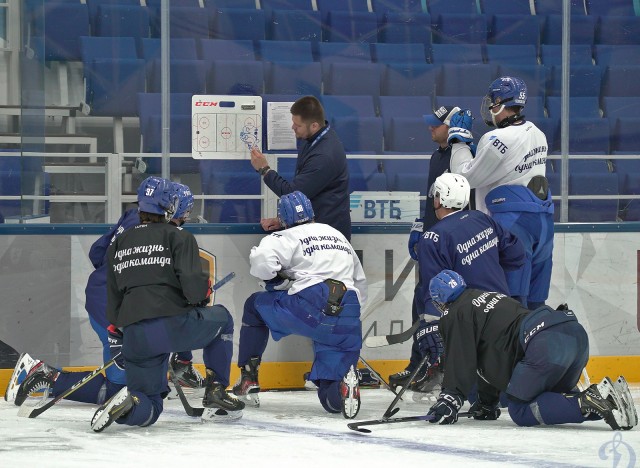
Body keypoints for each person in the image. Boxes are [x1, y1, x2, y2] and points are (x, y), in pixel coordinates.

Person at [4, 183, 207, 408]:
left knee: (143, 387)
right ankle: (45, 375)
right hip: (116, 310)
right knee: (121, 393)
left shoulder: (133, 216)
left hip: (102, 297)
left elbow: (97, 252)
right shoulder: (168, 236)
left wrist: (112, 274)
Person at [90, 176, 244, 432]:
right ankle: (216, 391)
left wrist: (120, 326)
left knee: (150, 406)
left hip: (135, 335)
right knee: (223, 319)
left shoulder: (120, 242)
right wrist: (201, 295)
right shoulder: (179, 237)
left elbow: (113, 294)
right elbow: (195, 292)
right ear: (170, 206)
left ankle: (131, 406)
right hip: (171, 326)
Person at [424, 269, 638, 431]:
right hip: (574, 335)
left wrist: (451, 397)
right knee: (549, 397)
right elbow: (486, 359)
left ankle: (589, 400)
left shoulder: (455, 314)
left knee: (520, 409)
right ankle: (606, 400)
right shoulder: (487, 296)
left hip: (544, 345)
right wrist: (486, 403)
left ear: (439, 301)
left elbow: (462, 358)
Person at [231, 191, 367, 419]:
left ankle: (248, 377)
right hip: (348, 308)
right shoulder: (336, 234)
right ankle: (342, 388)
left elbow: (261, 264)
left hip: (311, 304)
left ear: (282, 219)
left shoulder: (284, 237)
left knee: (254, 306)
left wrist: (277, 281)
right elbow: (360, 282)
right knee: (330, 401)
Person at [409, 173, 526, 398]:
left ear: (440, 199)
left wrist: (430, 324)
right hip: (505, 310)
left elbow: (433, 290)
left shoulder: (433, 237)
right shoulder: (482, 218)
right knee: (501, 379)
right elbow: (516, 254)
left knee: (472, 387)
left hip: (471, 318)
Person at [448, 76, 554, 310]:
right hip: (543, 223)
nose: (490, 109)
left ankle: (511, 347)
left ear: (499, 103)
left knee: (510, 302)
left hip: (512, 224)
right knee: (537, 302)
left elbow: (464, 178)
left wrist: (458, 143)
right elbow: (508, 166)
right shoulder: (538, 133)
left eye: (492, 103)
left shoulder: (496, 138)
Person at [390, 105, 462, 392]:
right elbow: (432, 198)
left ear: (452, 127)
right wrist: (420, 225)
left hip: (449, 246)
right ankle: (419, 363)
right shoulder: (437, 156)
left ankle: (435, 367)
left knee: (436, 306)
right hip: (433, 240)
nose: (430, 128)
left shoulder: (461, 158)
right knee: (420, 303)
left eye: (436, 124)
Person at [249, 95, 351, 241]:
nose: (293, 128)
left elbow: (293, 193)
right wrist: (284, 220)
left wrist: (264, 169)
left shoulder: (324, 156)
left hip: (328, 238)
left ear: (314, 125)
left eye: (297, 125)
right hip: (316, 230)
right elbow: (309, 193)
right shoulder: (314, 138)